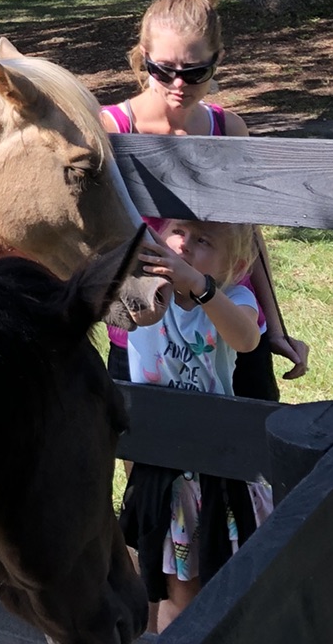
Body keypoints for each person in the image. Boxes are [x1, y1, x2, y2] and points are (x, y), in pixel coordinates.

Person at [98, 0, 309, 399]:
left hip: (225, 319)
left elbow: (248, 237)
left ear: (218, 60)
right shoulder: (111, 128)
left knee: (251, 439)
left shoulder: (228, 129)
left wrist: (275, 327)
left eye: (195, 72)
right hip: (144, 328)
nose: (179, 84)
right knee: (147, 443)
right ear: (143, 56)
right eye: (163, 70)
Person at [118, 219, 273, 631]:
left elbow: (245, 339)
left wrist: (200, 287)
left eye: (203, 241)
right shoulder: (142, 289)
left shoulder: (235, 297)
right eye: (178, 232)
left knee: (234, 578)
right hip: (164, 473)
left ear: (234, 266)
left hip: (218, 469)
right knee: (178, 590)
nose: (184, 245)